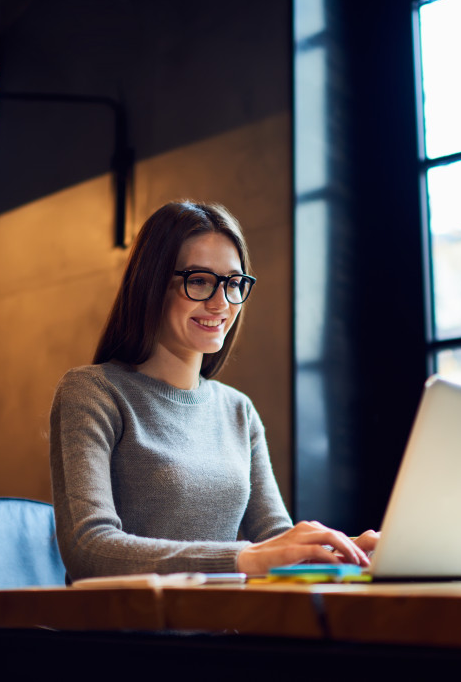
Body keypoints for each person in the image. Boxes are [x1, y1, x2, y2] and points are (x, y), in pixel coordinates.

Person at [49, 201, 378, 579]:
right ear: (151, 283)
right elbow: (89, 549)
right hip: (128, 635)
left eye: (234, 283)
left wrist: (354, 549)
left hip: (222, 630)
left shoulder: (238, 410)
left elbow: (275, 539)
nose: (221, 302)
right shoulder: (92, 392)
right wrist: (242, 559)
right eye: (200, 280)